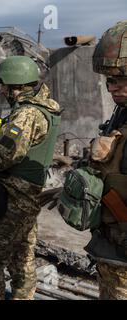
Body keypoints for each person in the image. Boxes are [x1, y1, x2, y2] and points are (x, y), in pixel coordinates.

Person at [0, 56, 62, 299]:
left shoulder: (26, 114)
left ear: (14, 85)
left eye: (3, 85)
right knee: (22, 259)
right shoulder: (43, 107)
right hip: (29, 198)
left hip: (13, 200)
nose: (0, 89)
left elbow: (2, 158)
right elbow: (19, 144)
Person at [83, 21, 127, 300]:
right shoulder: (121, 113)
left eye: (122, 78)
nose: (113, 87)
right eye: (110, 80)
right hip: (113, 247)